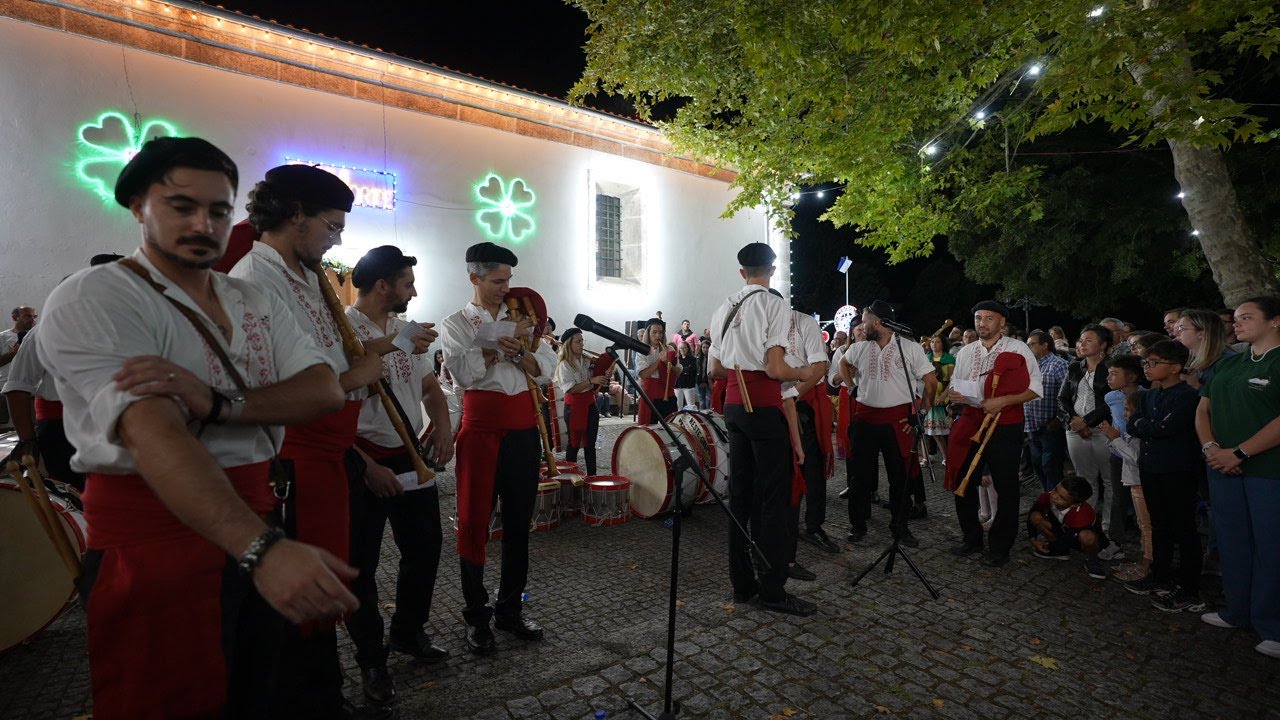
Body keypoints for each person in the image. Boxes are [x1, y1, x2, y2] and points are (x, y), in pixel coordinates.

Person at [35, 137, 361, 719]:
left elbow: (323, 390)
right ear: (138, 206)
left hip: (257, 512)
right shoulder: (96, 297)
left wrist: (219, 405)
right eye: (181, 206)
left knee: (258, 696)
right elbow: (153, 431)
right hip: (155, 535)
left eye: (217, 209)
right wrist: (263, 551)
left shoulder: (250, 297)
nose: (202, 223)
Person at [228, 163, 389, 718]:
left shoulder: (305, 274)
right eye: (331, 224)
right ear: (294, 215)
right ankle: (311, 699)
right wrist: (351, 379)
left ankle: (324, 689)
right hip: (295, 454)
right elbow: (270, 382)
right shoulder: (256, 277)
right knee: (301, 585)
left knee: (326, 575)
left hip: (330, 450)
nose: (337, 238)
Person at [342, 246, 454, 705]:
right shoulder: (343, 329)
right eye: (407, 284)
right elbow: (325, 404)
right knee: (359, 567)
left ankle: (408, 632)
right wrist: (364, 467)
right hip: (360, 457)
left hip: (410, 453)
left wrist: (443, 425)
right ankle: (371, 660)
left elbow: (428, 386)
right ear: (383, 286)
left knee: (425, 549)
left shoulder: (405, 330)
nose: (414, 291)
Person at [439, 242, 557, 652]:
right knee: (473, 523)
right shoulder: (455, 324)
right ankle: (476, 615)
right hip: (481, 430)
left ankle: (510, 610)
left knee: (519, 523)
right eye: (497, 281)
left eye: (508, 279)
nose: (506, 288)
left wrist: (522, 350)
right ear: (474, 278)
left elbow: (547, 371)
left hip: (523, 430)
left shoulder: (520, 316)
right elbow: (463, 375)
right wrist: (492, 351)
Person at [708, 242, 816, 616]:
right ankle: (772, 591)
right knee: (772, 501)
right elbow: (775, 369)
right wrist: (804, 372)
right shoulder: (774, 304)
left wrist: (743, 364)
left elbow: (716, 368)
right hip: (763, 405)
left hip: (734, 405)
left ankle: (742, 586)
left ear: (742, 271)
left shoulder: (724, 306)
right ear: (771, 270)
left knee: (741, 497)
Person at [1197, 296, 1280, 658]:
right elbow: (1203, 409)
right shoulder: (1228, 364)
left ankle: (1273, 624)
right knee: (1233, 541)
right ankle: (1237, 611)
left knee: (1271, 547)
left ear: (1275, 321)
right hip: (1223, 469)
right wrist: (1212, 449)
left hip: (1268, 471)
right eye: (1236, 317)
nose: (1237, 322)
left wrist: (1240, 452)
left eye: (1247, 317)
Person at [3, 256, 121, 489]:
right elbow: (17, 388)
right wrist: (28, 440)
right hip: (62, 428)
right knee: (75, 492)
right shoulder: (42, 333)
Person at [946, 301, 1042, 567]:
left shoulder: (1018, 348)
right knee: (963, 481)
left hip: (1005, 422)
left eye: (989, 318)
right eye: (978, 318)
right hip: (971, 420)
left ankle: (1000, 547)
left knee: (1006, 486)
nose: (982, 323)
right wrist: (956, 395)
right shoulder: (965, 351)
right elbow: (960, 384)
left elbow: (1034, 389)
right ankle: (971, 537)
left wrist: (1003, 401)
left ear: (1002, 323)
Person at [837, 300, 937, 548]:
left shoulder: (909, 347)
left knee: (899, 476)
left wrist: (922, 411)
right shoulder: (861, 348)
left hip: (897, 420)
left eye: (865, 318)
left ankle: (900, 526)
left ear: (877, 322)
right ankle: (858, 524)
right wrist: (851, 386)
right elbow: (843, 363)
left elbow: (931, 381)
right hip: (865, 418)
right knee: (859, 477)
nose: (861, 324)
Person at [1125, 340, 1203, 612]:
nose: (1147, 367)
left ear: (1176, 367)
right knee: (1159, 525)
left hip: (1177, 469)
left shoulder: (1186, 396)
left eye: (1154, 363)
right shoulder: (1149, 395)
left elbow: (1167, 428)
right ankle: (1160, 576)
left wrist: (1146, 426)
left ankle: (1190, 587)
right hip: (1150, 466)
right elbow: (1133, 424)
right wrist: (1146, 425)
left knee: (1183, 527)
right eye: (1146, 362)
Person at [780, 300, 837, 556]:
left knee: (812, 467)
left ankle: (813, 526)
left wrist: (792, 394)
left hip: (803, 403)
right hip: (774, 402)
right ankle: (784, 524)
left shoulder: (804, 322)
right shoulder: (762, 324)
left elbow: (819, 367)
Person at [1059, 324, 1115, 537]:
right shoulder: (1075, 366)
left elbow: (1112, 400)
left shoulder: (1112, 367)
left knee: (1110, 480)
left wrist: (1087, 422)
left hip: (1103, 430)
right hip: (1075, 431)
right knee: (1084, 478)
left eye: (1088, 340)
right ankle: (1086, 522)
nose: (1081, 344)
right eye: (1080, 340)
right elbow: (1062, 398)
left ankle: (1109, 527)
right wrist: (1074, 421)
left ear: (1103, 345)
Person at [1099, 389, 1153, 583]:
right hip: (1134, 481)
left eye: (1128, 410)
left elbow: (1135, 457)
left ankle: (1147, 564)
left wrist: (1115, 438)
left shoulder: (1141, 433)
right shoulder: (1133, 429)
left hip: (1140, 481)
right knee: (1143, 524)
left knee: (1147, 526)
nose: (1124, 415)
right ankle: (1144, 560)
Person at [1099, 354, 1145, 559]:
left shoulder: (1146, 396)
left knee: (1143, 502)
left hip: (1139, 456)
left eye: (1114, 374)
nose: (1109, 378)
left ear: (1133, 377)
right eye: (1108, 373)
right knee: (1118, 499)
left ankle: (1148, 546)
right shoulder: (1110, 397)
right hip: (1117, 455)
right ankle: (1116, 541)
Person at [1027, 475, 1111, 579]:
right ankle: (1060, 551)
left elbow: (1068, 538)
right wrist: (1033, 539)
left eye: (1062, 497)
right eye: (1056, 490)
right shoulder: (1046, 497)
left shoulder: (1082, 514)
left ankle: (1092, 559)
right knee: (1035, 516)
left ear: (1074, 504)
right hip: (1063, 530)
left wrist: (1053, 543)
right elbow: (1032, 513)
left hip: (1078, 537)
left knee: (1088, 537)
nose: (1054, 496)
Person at [555, 327, 607, 475]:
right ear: (569, 344)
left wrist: (603, 374)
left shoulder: (585, 360)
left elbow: (595, 378)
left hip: (590, 404)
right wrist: (592, 380)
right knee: (574, 443)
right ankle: (569, 477)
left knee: (590, 443)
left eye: (582, 340)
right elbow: (570, 389)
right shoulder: (565, 364)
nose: (582, 344)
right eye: (578, 341)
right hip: (574, 407)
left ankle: (592, 477)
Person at [1024, 330, 1068, 492]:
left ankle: (1058, 503)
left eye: (1032, 344)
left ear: (1045, 345)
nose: (1028, 348)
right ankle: (1049, 497)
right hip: (1032, 426)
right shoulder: (1029, 367)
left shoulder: (1058, 365)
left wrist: (1058, 418)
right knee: (1038, 466)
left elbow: (1067, 395)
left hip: (1051, 426)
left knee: (1050, 466)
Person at [635, 317, 679, 423]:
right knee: (649, 428)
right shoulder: (641, 351)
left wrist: (667, 363)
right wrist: (659, 360)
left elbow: (678, 371)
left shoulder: (670, 349)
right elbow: (643, 375)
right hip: (650, 394)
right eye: (654, 332)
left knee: (672, 427)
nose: (658, 336)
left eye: (660, 332)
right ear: (648, 333)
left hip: (668, 392)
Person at [0, 305, 38, 427]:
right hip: (6, 387)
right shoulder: (2, 337)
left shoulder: (39, 336)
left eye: (34, 316)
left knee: (34, 425)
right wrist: (12, 354)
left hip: (34, 388)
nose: (32, 319)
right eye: (27, 316)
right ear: (15, 318)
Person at [923, 335, 955, 462]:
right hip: (928, 396)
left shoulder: (949, 359)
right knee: (925, 431)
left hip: (943, 395)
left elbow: (952, 380)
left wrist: (943, 395)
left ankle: (946, 457)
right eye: (932, 342)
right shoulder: (926, 358)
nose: (934, 344)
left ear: (943, 344)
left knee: (941, 431)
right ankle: (927, 457)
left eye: (937, 342)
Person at [674, 341, 699, 409]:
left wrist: (681, 370)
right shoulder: (677, 359)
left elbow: (690, 370)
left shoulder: (692, 359)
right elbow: (675, 371)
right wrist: (684, 370)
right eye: (681, 348)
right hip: (678, 385)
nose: (683, 350)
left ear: (688, 348)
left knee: (691, 406)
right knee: (678, 406)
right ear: (678, 349)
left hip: (689, 385)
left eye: (685, 348)